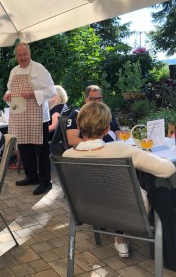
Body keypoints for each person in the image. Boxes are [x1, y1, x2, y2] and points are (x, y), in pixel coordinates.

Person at [63, 102, 175, 258]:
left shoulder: (67, 156)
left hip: (87, 211)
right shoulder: (120, 150)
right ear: (107, 129)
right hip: (131, 211)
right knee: (160, 191)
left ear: (80, 127)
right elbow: (167, 169)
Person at [3, 42, 56, 195]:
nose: (22, 58)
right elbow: (10, 88)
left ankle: (46, 182)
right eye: (19, 55)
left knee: (41, 150)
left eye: (24, 54)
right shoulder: (13, 71)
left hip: (38, 117)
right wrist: (8, 94)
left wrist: (34, 94)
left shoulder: (39, 68)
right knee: (24, 147)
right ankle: (31, 176)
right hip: (20, 115)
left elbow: (51, 91)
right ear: (16, 56)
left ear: (29, 53)